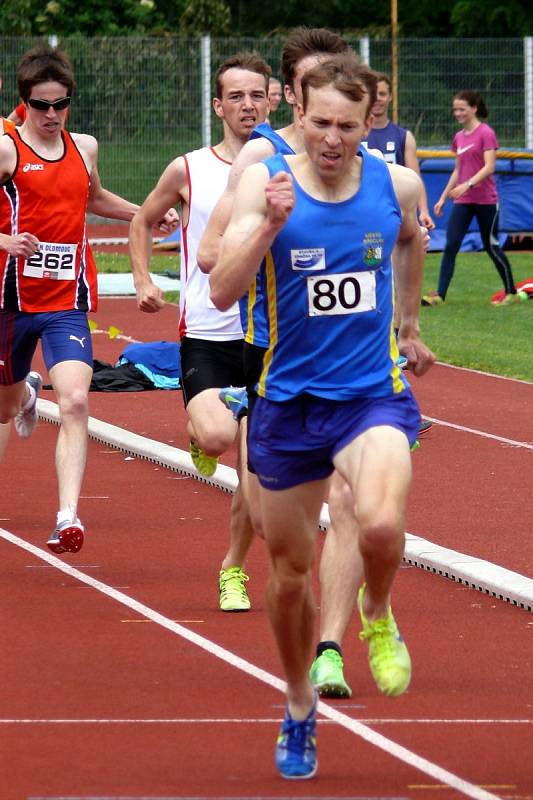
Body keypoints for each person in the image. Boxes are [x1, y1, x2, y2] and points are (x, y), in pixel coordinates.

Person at [210, 55, 435, 779]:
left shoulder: (395, 181)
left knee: (378, 522)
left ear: (370, 123)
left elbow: (409, 239)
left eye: (346, 125)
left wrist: (406, 323)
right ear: (296, 117)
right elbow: (220, 290)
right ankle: (300, 698)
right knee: (286, 575)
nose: (331, 139)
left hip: (372, 395)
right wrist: (268, 226)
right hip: (287, 403)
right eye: (318, 124)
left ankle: (374, 610)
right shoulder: (264, 183)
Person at [198, 27, 363, 697]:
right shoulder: (258, 163)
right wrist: (271, 234)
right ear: (291, 96)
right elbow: (212, 257)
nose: (333, 114)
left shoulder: (368, 163)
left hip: (353, 367)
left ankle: (338, 640)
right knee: (268, 518)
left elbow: (399, 241)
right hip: (273, 358)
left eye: (345, 99)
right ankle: (246, 565)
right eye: (317, 92)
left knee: (356, 504)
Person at [0, 44, 176, 552]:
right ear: (24, 103)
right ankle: (26, 394)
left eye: (61, 104)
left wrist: (146, 213)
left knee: (76, 400)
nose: (52, 115)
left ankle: (67, 516)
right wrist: (6, 242)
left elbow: (93, 198)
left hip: (64, 298)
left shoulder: (85, 146)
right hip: (10, 300)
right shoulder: (8, 150)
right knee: (4, 405)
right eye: (42, 106)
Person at [128, 52, 271, 613]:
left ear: (274, 99)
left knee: (251, 475)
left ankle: (232, 568)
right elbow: (143, 218)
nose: (247, 105)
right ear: (218, 106)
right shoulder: (189, 167)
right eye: (235, 96)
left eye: (256, 94)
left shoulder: (288, 166)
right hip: (207, 331)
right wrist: (143, 279)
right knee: (216, 437)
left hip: (264, 337)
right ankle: (200, 428)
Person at [423, 90, 523, 307]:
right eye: (455, 109)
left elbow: (490, 167)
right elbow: (458, 170)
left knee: (491, 246)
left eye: (462, 109)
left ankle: (511, 291)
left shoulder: (486, 133)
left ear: (474, 108)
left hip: (486, 200)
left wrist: (467, 185)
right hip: (463, 201)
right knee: (451, 245)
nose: (457, 113)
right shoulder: (459, 137)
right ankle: (439, 295)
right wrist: (442, 198)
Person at [365, 72, 434, 230]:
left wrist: (423, 211)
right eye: (373, 94)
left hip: (398, 214)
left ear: (390, 97)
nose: (377, 98)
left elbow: (415, 178)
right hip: (367, 213)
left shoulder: (403, 136)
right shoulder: (355, 133)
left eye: (382, 94)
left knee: (400, 255)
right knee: (372, 255)